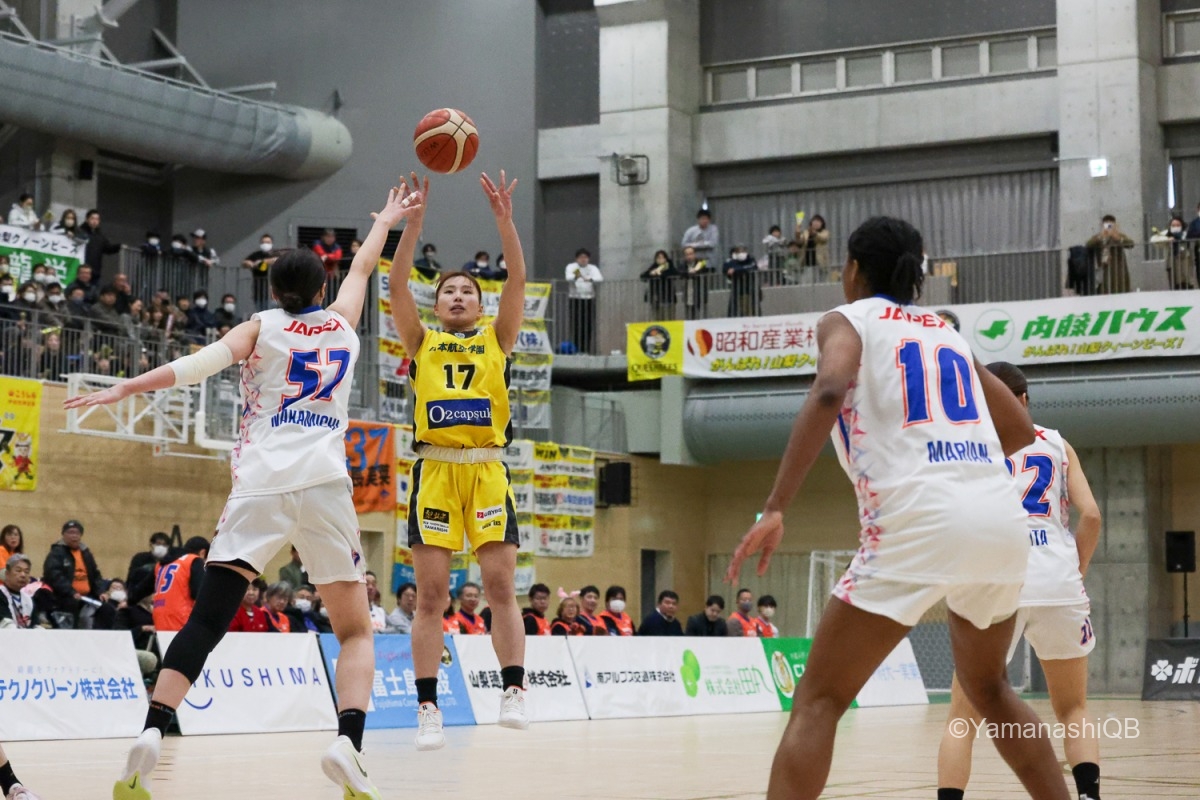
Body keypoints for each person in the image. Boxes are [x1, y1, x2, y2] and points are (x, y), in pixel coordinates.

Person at [67, 181, 421, 800]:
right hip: (325, 486)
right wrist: (386, 219)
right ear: (320, 291)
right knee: (356, 630)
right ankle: (348, 744)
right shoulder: (342, 325)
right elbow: (363, 267)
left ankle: (152, 729)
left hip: (260, 486)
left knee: (208, 620)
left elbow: (196, 366)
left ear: (273, 292)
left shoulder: (260, 327)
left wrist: (125, 388)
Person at [725, 215, 1069, 800]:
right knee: (991, 689)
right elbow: (1019, 429)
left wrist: (776, 506)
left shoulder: (848, 319)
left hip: (917, 519)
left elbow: (829, 389)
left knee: (819, 701)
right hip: (999, 521)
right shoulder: (945, 333)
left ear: (853, 269)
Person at [389, 169, 531, 750]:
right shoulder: (421, 340)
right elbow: (397, 283)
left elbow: (517, 277)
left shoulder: (498, 337)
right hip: (436, 471)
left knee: (500, 587)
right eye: (447, 290)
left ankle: (514, 689)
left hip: (487, 469)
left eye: (466, 291)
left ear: (480, 302)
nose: (456, 295)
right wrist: (414, 225)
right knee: (431, 597)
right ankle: (428, 706)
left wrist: (504, 222)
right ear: (437, 302)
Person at [938, 362, 1103, 800]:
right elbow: (1091, 516)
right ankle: (1088, 796)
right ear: (1024, 399)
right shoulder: (1057, 444)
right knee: (1073, 709)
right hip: (1057, 581)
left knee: (961, 720)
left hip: (997, 581)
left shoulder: (966, 449)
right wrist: (1075, 571)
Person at [42, 519, 110, 630]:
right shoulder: (57, 553)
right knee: (71, 605)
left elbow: (95, 574)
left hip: (87, 597)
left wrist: (101, 592)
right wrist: (71, 592)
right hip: (65, 597)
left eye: (77, 533)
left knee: (107, 608)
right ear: (63, 535)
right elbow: (54, 576)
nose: (74, 536)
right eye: (70, 532)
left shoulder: (85, 553)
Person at [151, 537, 209, 634]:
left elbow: (141, 589)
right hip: (181, 618)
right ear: (203, 553)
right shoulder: (194, 560)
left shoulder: (161, 565)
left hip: (159, 617)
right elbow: (198, 593)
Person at [565, 248, 602, 353]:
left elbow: (599, 278)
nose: (583, 259)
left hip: (589, 299)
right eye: (581, 257)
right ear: (577, 259)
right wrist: (578, 275)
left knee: (588, 324)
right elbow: (569, 277)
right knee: (576, 324)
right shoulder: (572, 267)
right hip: (575, 299)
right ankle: (576, 349)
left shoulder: (592, 268)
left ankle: (586, 349)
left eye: (585, 257)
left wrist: (589, 279)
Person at [1086, 214, 1134, 295]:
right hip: (1104, 272)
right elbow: (1088, 245)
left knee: (1121, 293)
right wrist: (1100, 237)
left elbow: (1131, 244)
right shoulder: (1098, 237)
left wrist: (1118, 238)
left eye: (1110, 225)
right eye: (1106, 224)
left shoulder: (1119, 236)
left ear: (1114, 225)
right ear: (1102, 225)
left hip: (1119, 272)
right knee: (1104, 293)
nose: (1108, 227)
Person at [78, 210, 121, 282]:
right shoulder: (79, 232)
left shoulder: (100, 236)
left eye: (97, 219)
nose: (95, 221)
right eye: (92, 218)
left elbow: (108, 248)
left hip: (95, 272)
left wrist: (119, 246)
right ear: (87, 219)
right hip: (81, 269)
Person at [241, 234, 277, 311]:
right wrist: (251, 264)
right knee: (260, 311)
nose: (265, 244)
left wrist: (263, 262)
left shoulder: (275, 253)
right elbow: (245, 262)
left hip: (272, 290)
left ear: (272, 243)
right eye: (263, 242)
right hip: (258, 290)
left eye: (268, 242)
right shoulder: (256, 255)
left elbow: (276, 259)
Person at [640, 250, 678, 320]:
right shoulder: (654, 267)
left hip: (669, 298)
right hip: (656, 299)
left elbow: (675, 274)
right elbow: (643, 276)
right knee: (657, 318)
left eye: (662, 258)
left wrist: (660, 274)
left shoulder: (670, 266)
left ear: (665, 259)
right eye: (658, 258)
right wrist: (651, 273)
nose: (660, 260)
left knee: (670, 318)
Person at [724, 245, 760, 317]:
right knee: (734, 307)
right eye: (739, 251)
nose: (742, 253)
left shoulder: (750, 259)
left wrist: (736, 270)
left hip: (749, 287)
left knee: (753, 307)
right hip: (736, 288)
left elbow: (753, 267)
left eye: (743, 251)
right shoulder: (730, 261)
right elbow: (726, 270)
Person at [0, 554, 35, 629]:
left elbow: (35, 625)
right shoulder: (1, 594)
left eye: (26, 571)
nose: (23, 575)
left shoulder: (29, 599)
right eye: (18, 571)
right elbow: (5, 624)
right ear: (7, 574)